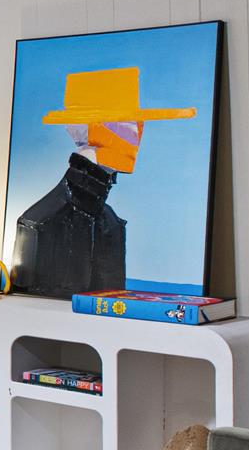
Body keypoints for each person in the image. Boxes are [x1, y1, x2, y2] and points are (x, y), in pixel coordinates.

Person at [13, 67, 194, 296]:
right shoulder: (39, 223)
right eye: (128, 123)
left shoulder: (111, 224)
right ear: (95, 126)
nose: (139, 133)